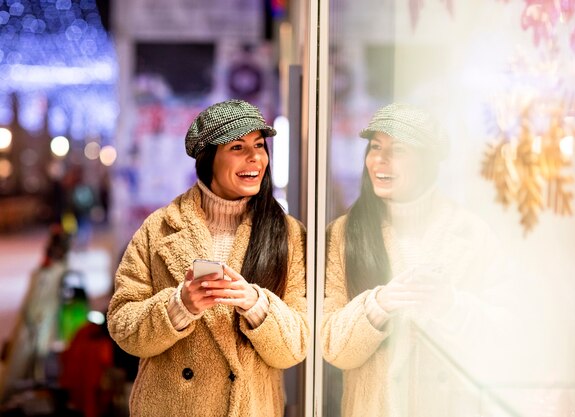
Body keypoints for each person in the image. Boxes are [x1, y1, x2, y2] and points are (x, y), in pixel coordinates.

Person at [107, 99, 309, 417]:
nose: (256, 157)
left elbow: (297, 345)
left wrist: (255, 304)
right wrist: (179, 307)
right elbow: (122, 326)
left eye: (259, 144)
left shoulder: (287, 234)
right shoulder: (159, 228)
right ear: (208, 158)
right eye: (238, 147)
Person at [321, 103, 512, 417]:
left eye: (397, 150)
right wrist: (378, 305)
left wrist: (450, 306)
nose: (379, 160)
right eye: (375, 147)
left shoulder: (471, 233)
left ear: (426, 162)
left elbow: (503, 337)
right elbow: (333, 348)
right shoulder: (344, 234)